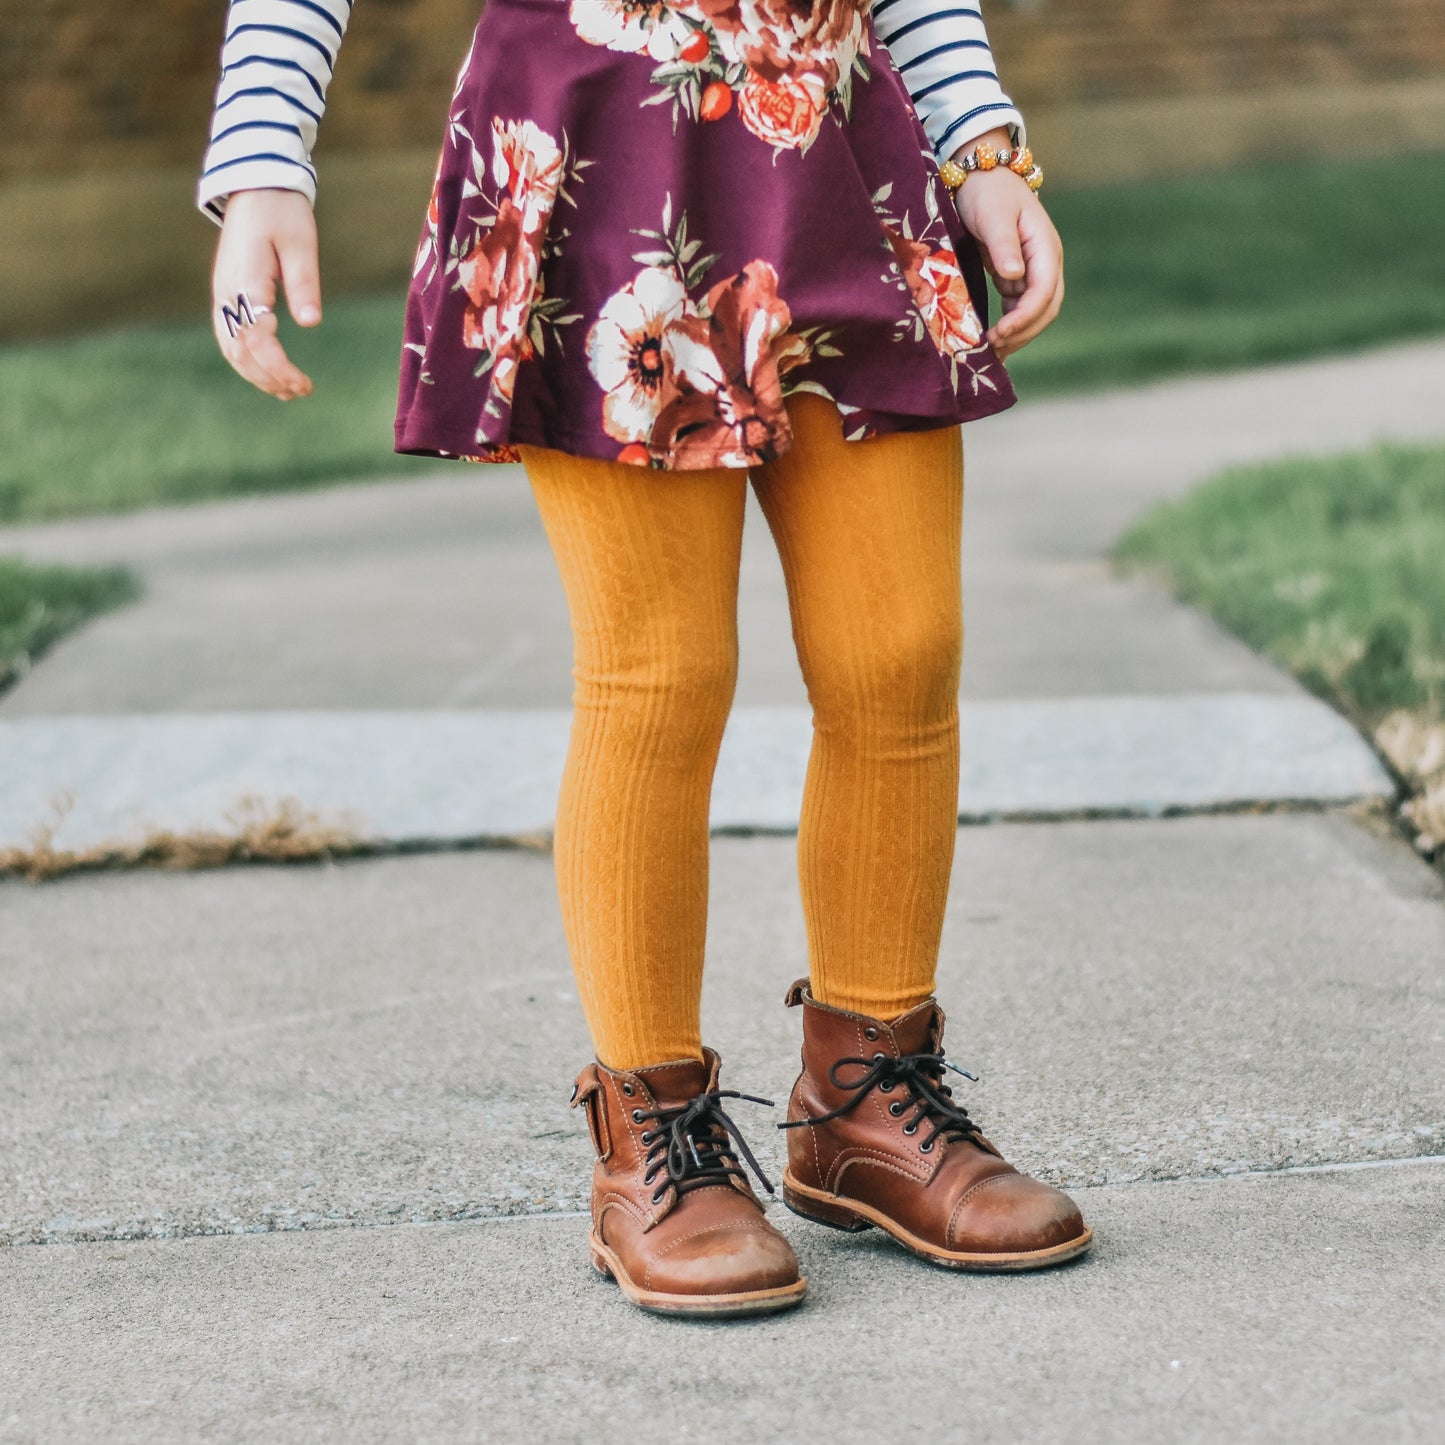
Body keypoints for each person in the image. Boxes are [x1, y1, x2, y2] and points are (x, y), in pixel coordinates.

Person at [200, 0, 1089, 1318]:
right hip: (602, 146)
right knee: (658, 675)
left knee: (897, 655)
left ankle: (864, 1102)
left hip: (838, 140)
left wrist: (980, 142)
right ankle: (652, 1137)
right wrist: (263, 160)